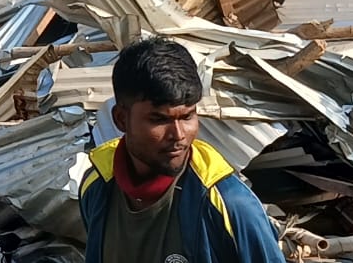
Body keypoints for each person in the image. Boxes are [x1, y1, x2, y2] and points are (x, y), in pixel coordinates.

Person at [80, 37, 284, 263]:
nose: (178, 135)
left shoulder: (230, 204)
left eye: (187, 116)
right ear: (121, 119)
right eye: (159, 119)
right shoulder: (96, 188)